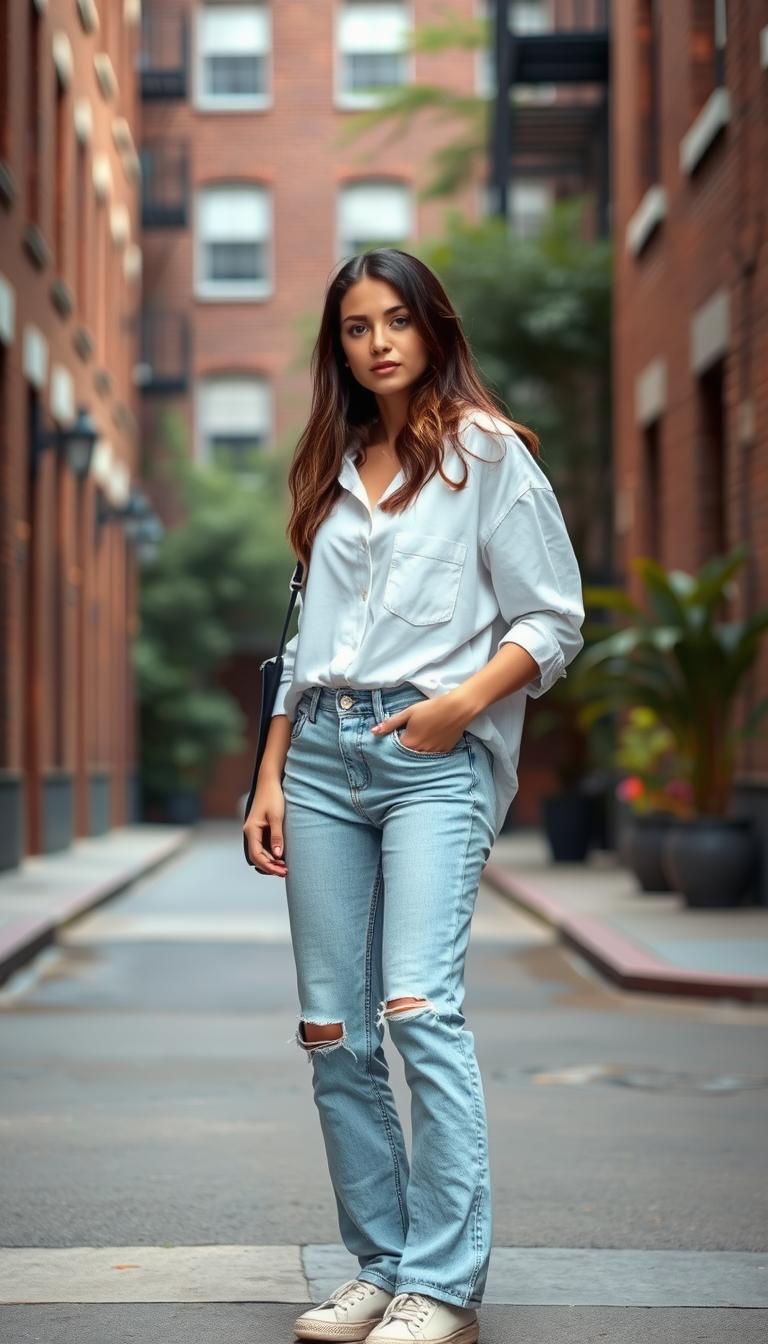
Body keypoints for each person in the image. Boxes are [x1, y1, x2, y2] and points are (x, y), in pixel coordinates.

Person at [243, 248, 585, 1344]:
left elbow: (552, 621)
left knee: (419, 1010)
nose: (379, 341)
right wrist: (269, 776)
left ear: (434, 329)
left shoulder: (486, 455)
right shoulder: (332, 464)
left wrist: (460, 705)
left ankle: (443, 1284)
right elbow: (305, 647)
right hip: (322, 761)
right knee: (333, 1031)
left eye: (398, 319)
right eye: (357, 326)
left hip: (432, 753)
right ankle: (380, 1268)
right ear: (337, 347)